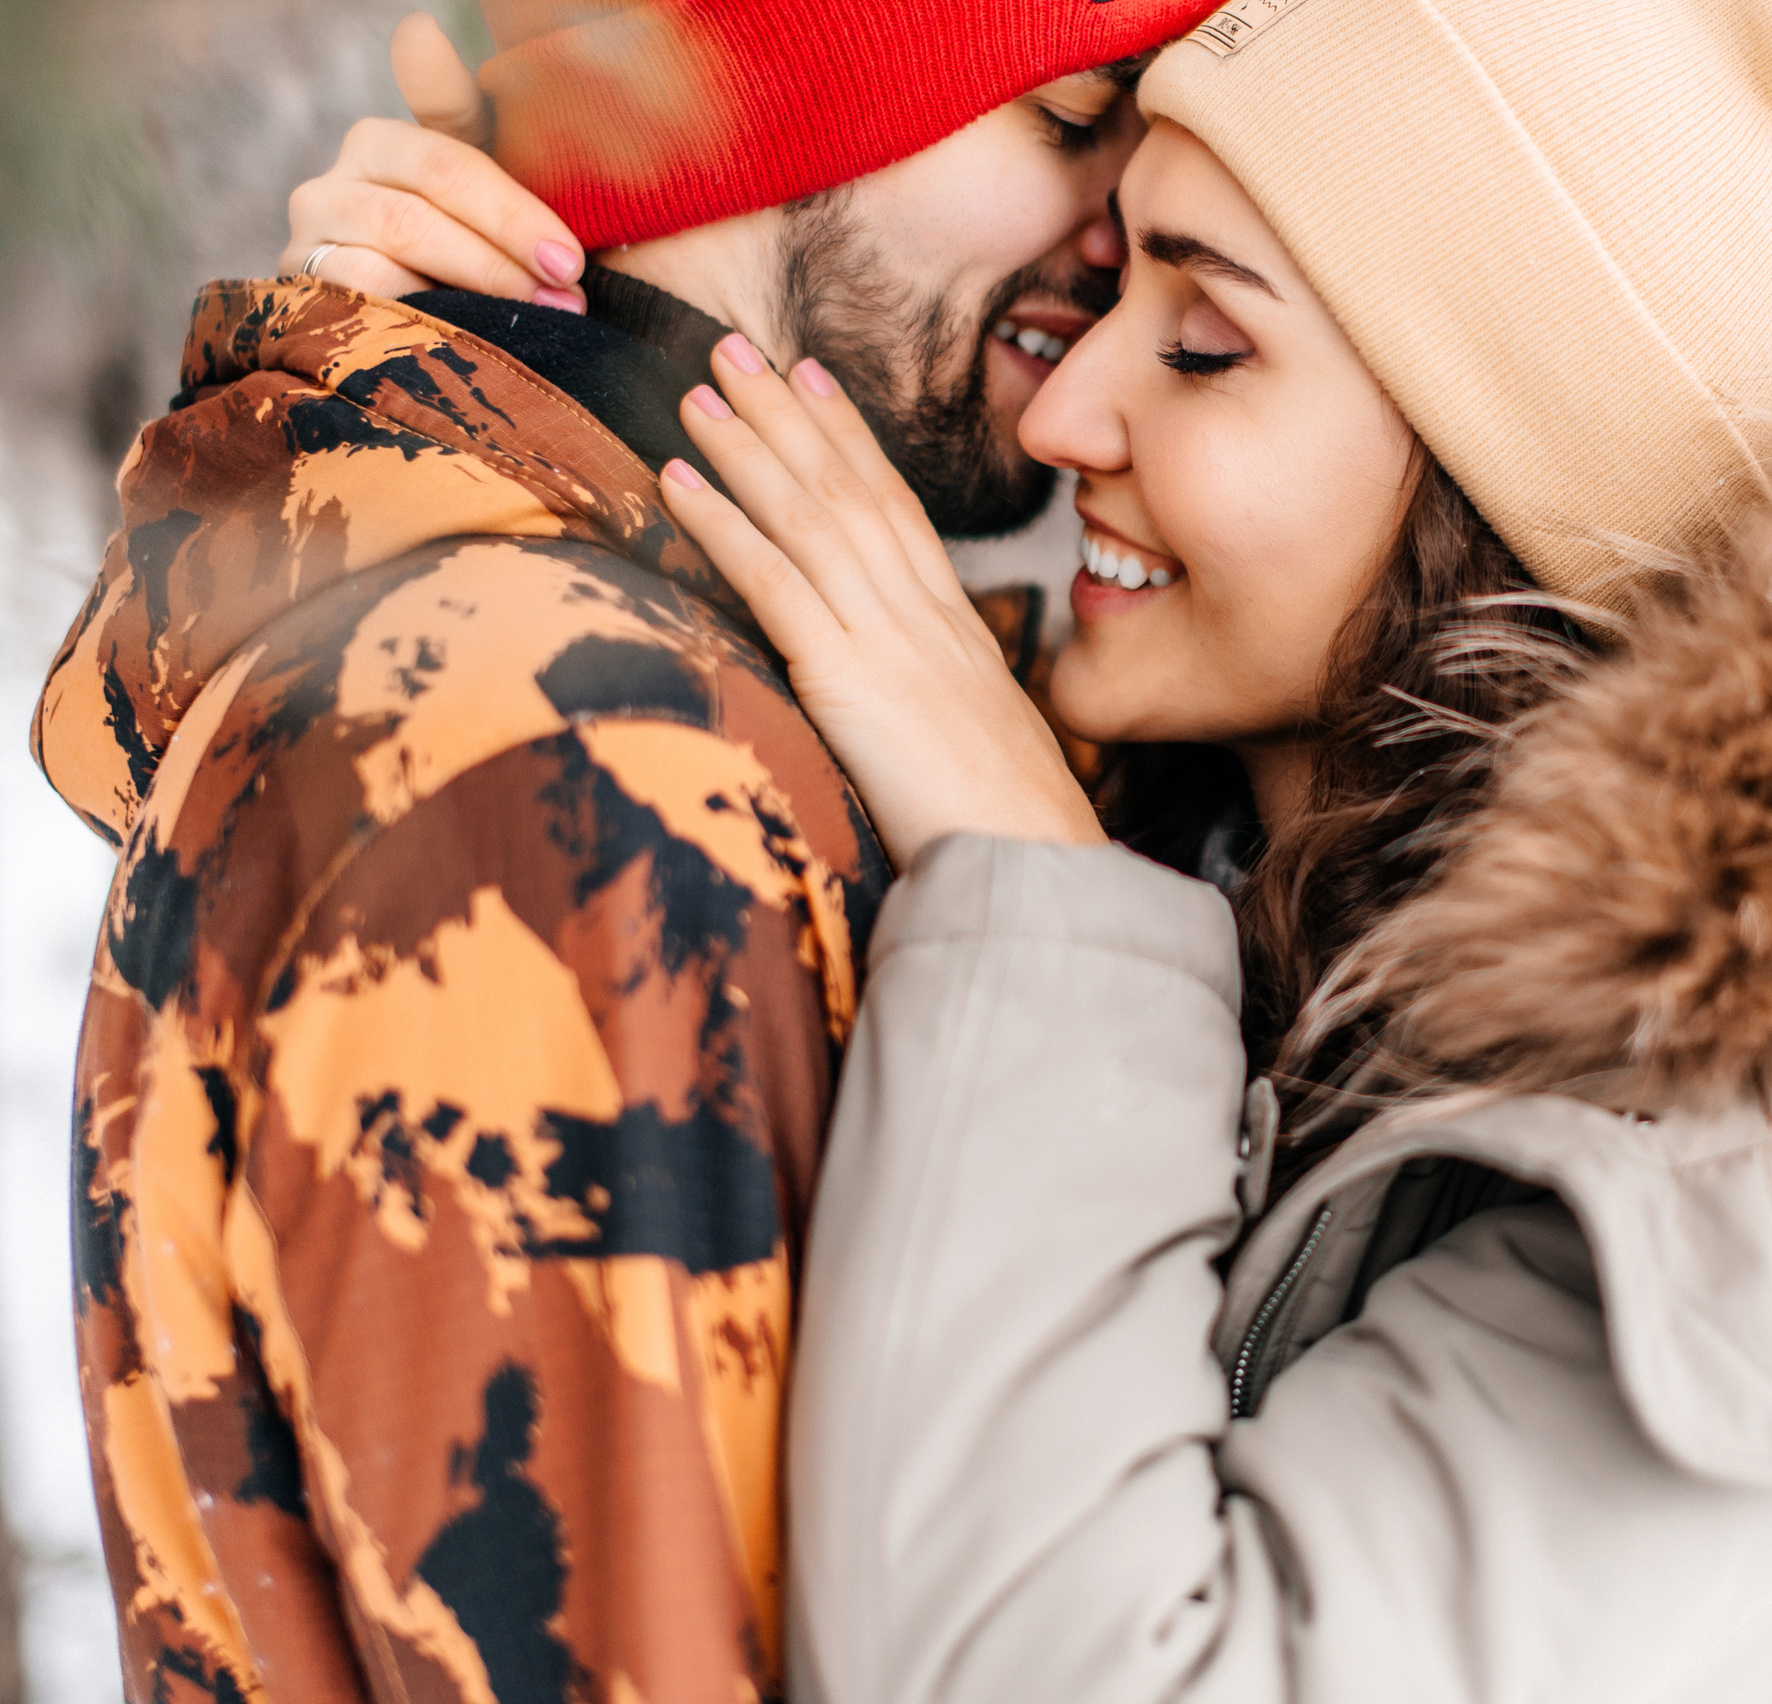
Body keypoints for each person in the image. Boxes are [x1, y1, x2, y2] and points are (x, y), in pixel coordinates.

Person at [611, 5, 1772, 1703]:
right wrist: (443, 314)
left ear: (1495, 460)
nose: (1069, 416)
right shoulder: (1259, 860)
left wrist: (1029, 878)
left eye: (1206, 344)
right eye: (1117, 287)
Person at [30, 2, 1217, 1697]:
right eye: (1068, 114)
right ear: (774, 90)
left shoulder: (686, 681)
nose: (1127, 232)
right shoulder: (563, 747)